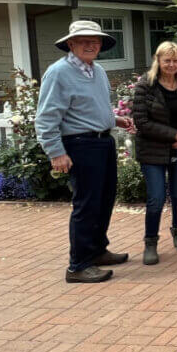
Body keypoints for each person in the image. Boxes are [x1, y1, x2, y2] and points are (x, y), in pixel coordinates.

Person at [36, 20, 135, 283]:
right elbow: (46, 117)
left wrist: (114, 119)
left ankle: (97, 251)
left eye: (95, 40)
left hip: (103, 142)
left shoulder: (97, 71)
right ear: (71, 44)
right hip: (80, 145)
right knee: (87, 205)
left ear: (101, 44)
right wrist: (56, 152)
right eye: (84, 40)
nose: (91, 45)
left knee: (104, 200)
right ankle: (78, 265)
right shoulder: (58, 73)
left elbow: (90, 107)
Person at [132, 41, 177, 265]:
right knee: (156, 198)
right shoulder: (146, 85)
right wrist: (174, 135)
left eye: (175, 60)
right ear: (158, 61)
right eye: (167, 60)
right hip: (153, 150)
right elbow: (141, 122)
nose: (171, 64)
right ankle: (150, 242)